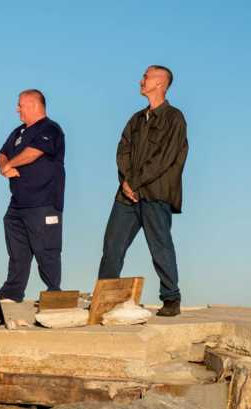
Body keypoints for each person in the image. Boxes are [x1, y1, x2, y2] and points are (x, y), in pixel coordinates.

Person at [98, 66, 188, 317]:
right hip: (126, 195)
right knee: (112, 247)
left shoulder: (174, 118)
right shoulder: (136, 119)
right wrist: (126, 183)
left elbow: (165, 158)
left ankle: (171, 298)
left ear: (160, 83)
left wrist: (135, 182)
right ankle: (103, 299)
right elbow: (122, 151)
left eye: (146, 77)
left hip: (155, 193)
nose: (141, 80)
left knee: (160, 245)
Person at [0, 90, 66, 303]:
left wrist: (10, 164)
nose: (17, 109)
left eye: (20, 105)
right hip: (18, 204)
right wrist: (3, 167)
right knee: (17, 252)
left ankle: (54, 293)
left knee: (47, 250)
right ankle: (12, 292)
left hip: (44, 202)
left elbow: (33, 153)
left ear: (34, 105)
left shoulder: (50, 129)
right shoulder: (18, 132)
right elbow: (2, 154)